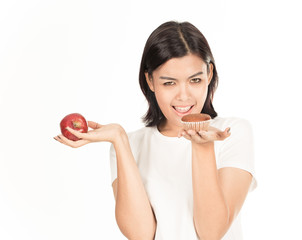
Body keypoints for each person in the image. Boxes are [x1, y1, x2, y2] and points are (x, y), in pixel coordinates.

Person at [54, 21, 256, 240]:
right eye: (169, 83)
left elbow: (211, 232)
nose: (184, 96)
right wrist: (120, 141)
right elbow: (141, 234)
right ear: (150, 80)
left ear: (209, 73)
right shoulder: (131, 145)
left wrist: (202, 145)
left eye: (195, 80)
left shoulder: (232, 132)